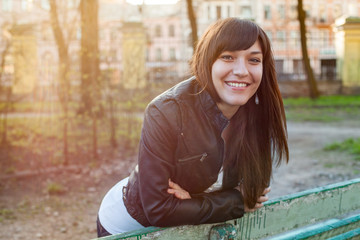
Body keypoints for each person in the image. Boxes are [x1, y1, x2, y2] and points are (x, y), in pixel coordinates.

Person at [97, 17, 289, 237]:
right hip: (130, 224)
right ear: (208, 61)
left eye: (254, 60)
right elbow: (159, 210)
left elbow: (255, 192)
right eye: (228, 57)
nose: (242, 71)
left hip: (191, 226)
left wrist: (195, 202)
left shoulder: (257, 110)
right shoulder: (166, 111)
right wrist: (231, 201)